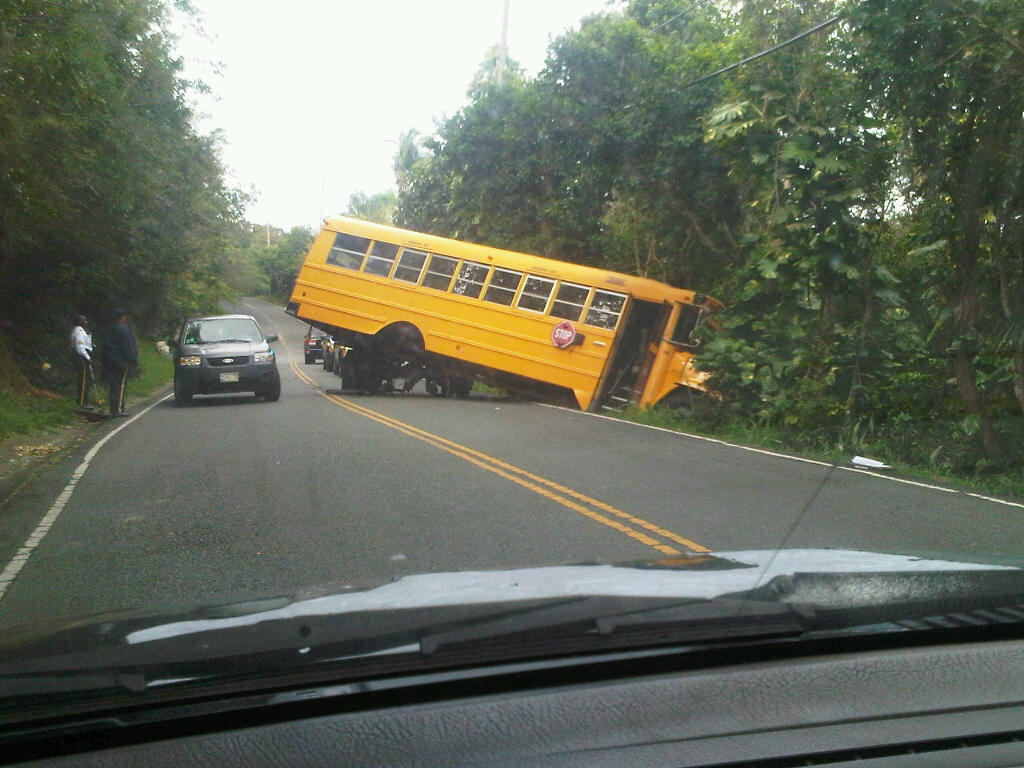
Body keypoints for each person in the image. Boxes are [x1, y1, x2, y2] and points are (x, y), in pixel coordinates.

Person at [103, 308, 138, 417]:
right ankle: (118, 409)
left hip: (111, 360)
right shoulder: (123, 330)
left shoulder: (109, 329)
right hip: (121, 361)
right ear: (121, 317)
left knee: (114, 385)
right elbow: (127, 346)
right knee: (120, 385)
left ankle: (114, 407)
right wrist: (132, 359)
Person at [70, 315, 94, 409]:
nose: (85, 321)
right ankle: (82, 402)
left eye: (85, 319)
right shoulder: (79, 331)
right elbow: (80, 347)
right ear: (78, 321)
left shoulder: (82, 331)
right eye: (83, 320)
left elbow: (88, 342)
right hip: (81, 357)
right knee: (84, 380)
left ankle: (84, 401)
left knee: (86, 379)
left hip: (83, 355)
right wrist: (87, 357)